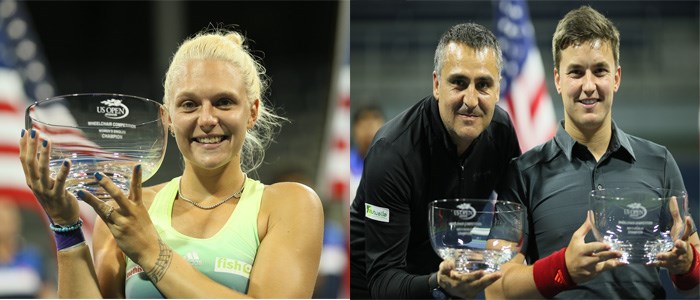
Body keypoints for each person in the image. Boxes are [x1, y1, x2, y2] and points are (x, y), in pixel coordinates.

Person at [18, 29, 324, 298]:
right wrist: (65, 226)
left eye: (224, 102)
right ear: (169, 119)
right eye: (189, 104)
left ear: (252, 111)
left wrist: (152, 252)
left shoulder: (289, 206)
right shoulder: (129, 209)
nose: (206, 119)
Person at [485, 6, 700, 299]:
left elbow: (691, 278)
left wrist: (687, 265)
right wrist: (563, 270)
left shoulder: (660, 161)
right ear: (558, 80)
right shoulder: (523, 172)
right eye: (576, 72)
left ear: (616, 77)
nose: (589, 86)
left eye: (599, 70)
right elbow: (496, 290)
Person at [349, 23, 521, 299]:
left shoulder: (501, 130)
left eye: (484, 85)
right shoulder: (391, 153)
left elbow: (514, 207)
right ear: (437, 84)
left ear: (498, 88)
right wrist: (438, 282)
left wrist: (496, 246)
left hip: (449, 279)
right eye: (459, 83)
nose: (471, 100)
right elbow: (381, 281)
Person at [0, 198, 55, 298]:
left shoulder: (34, 255)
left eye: (9, 219)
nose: (5, 225)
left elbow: (47, 291)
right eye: (2, 220)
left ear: (17, 222)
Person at [350, 105, 385, 202]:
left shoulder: (397, 164)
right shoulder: (344, 164)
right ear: (354, 129)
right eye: (364, 121)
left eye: (374, 120)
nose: (369, 128)